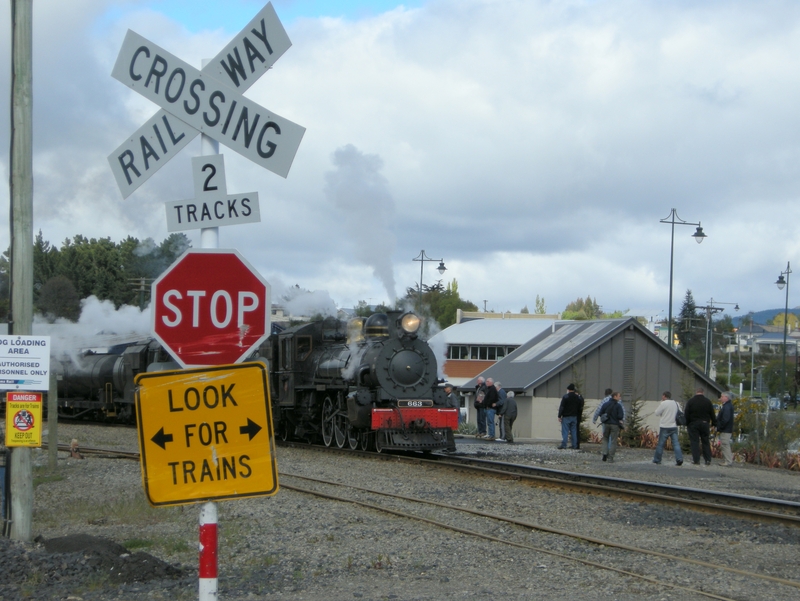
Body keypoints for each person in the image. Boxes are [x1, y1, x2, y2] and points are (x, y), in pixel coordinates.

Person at [684, 387, 717, 465]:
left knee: (695, 442)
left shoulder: (691, 401)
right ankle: (707, 459)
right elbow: (712, 413)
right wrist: (714, 424)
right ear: (703, 392)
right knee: (705, 442)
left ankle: (696, 460)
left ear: (696, 392)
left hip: (693, 424)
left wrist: (687, 423)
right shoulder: (707, 402)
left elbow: (686, 414)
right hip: (705, 424)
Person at [652, 391, 684, 466]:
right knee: (676, 443)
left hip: (665, 426)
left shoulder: (663, 403)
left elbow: (656, 413)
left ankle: (657, 459)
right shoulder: (676, 403)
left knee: (661, 444)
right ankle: (679, 459)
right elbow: (681, 412)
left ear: (664, 396)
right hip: (674, 426)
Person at [599, 391, 624, 462]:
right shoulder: (618, 406)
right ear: (615, 396)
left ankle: (604, 453)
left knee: (605, 439)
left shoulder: (605, 404)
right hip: (615, 425)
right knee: (613, 441)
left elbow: (600, 413)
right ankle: (610, 457)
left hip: (606, 424)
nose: (620, 397)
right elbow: (620, 416)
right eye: (619, 396)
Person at [557, 384, 583, 449]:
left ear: (568, 390)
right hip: (574, 416)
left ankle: (564, 445)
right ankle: (574, 445)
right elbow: (580, 407)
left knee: (565, 431)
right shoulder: (578, 397)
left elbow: (562, 407)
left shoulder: (566, 397)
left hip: (566, 416)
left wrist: (559, 416)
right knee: (573, 431)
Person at [716, 392, 734, 466]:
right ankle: (726, 460)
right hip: (726, 428)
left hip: (725, 429)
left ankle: (728, 461)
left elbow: (725, 419)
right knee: (724, 444)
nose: (720, 398)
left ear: (726, 398)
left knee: (725, 444)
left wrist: (720, 426)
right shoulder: (727, 406)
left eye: (722, 396)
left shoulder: (727, 407)